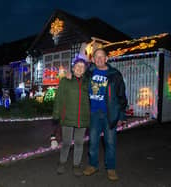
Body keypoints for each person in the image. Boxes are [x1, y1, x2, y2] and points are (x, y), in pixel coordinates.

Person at [83, 48, 127, 181]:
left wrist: (121, 116)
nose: (99, 59)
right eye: (96, 57)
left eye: (102, 57)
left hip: (110, 114)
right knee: (93, 142)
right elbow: (77, 79)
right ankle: (93, 165)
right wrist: (68, 76)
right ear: (93, 59)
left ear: (106, 59)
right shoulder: (89, 72)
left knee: (110, 142)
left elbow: (121, 97)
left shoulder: (114, 74)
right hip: (94, 114)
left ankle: (111, 168)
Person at [53, 56, 90, 177]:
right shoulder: (65, 80)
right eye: (77, 66)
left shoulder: (87, 82)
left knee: (79, 143)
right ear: (73, 68)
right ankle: (62, 163)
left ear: (84, 70)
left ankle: (76, 165)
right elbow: (59, 98)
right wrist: (56, 114)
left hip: (83, 118)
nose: (79, 68)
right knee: (66, 143)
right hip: (68, 117)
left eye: (82, 67)